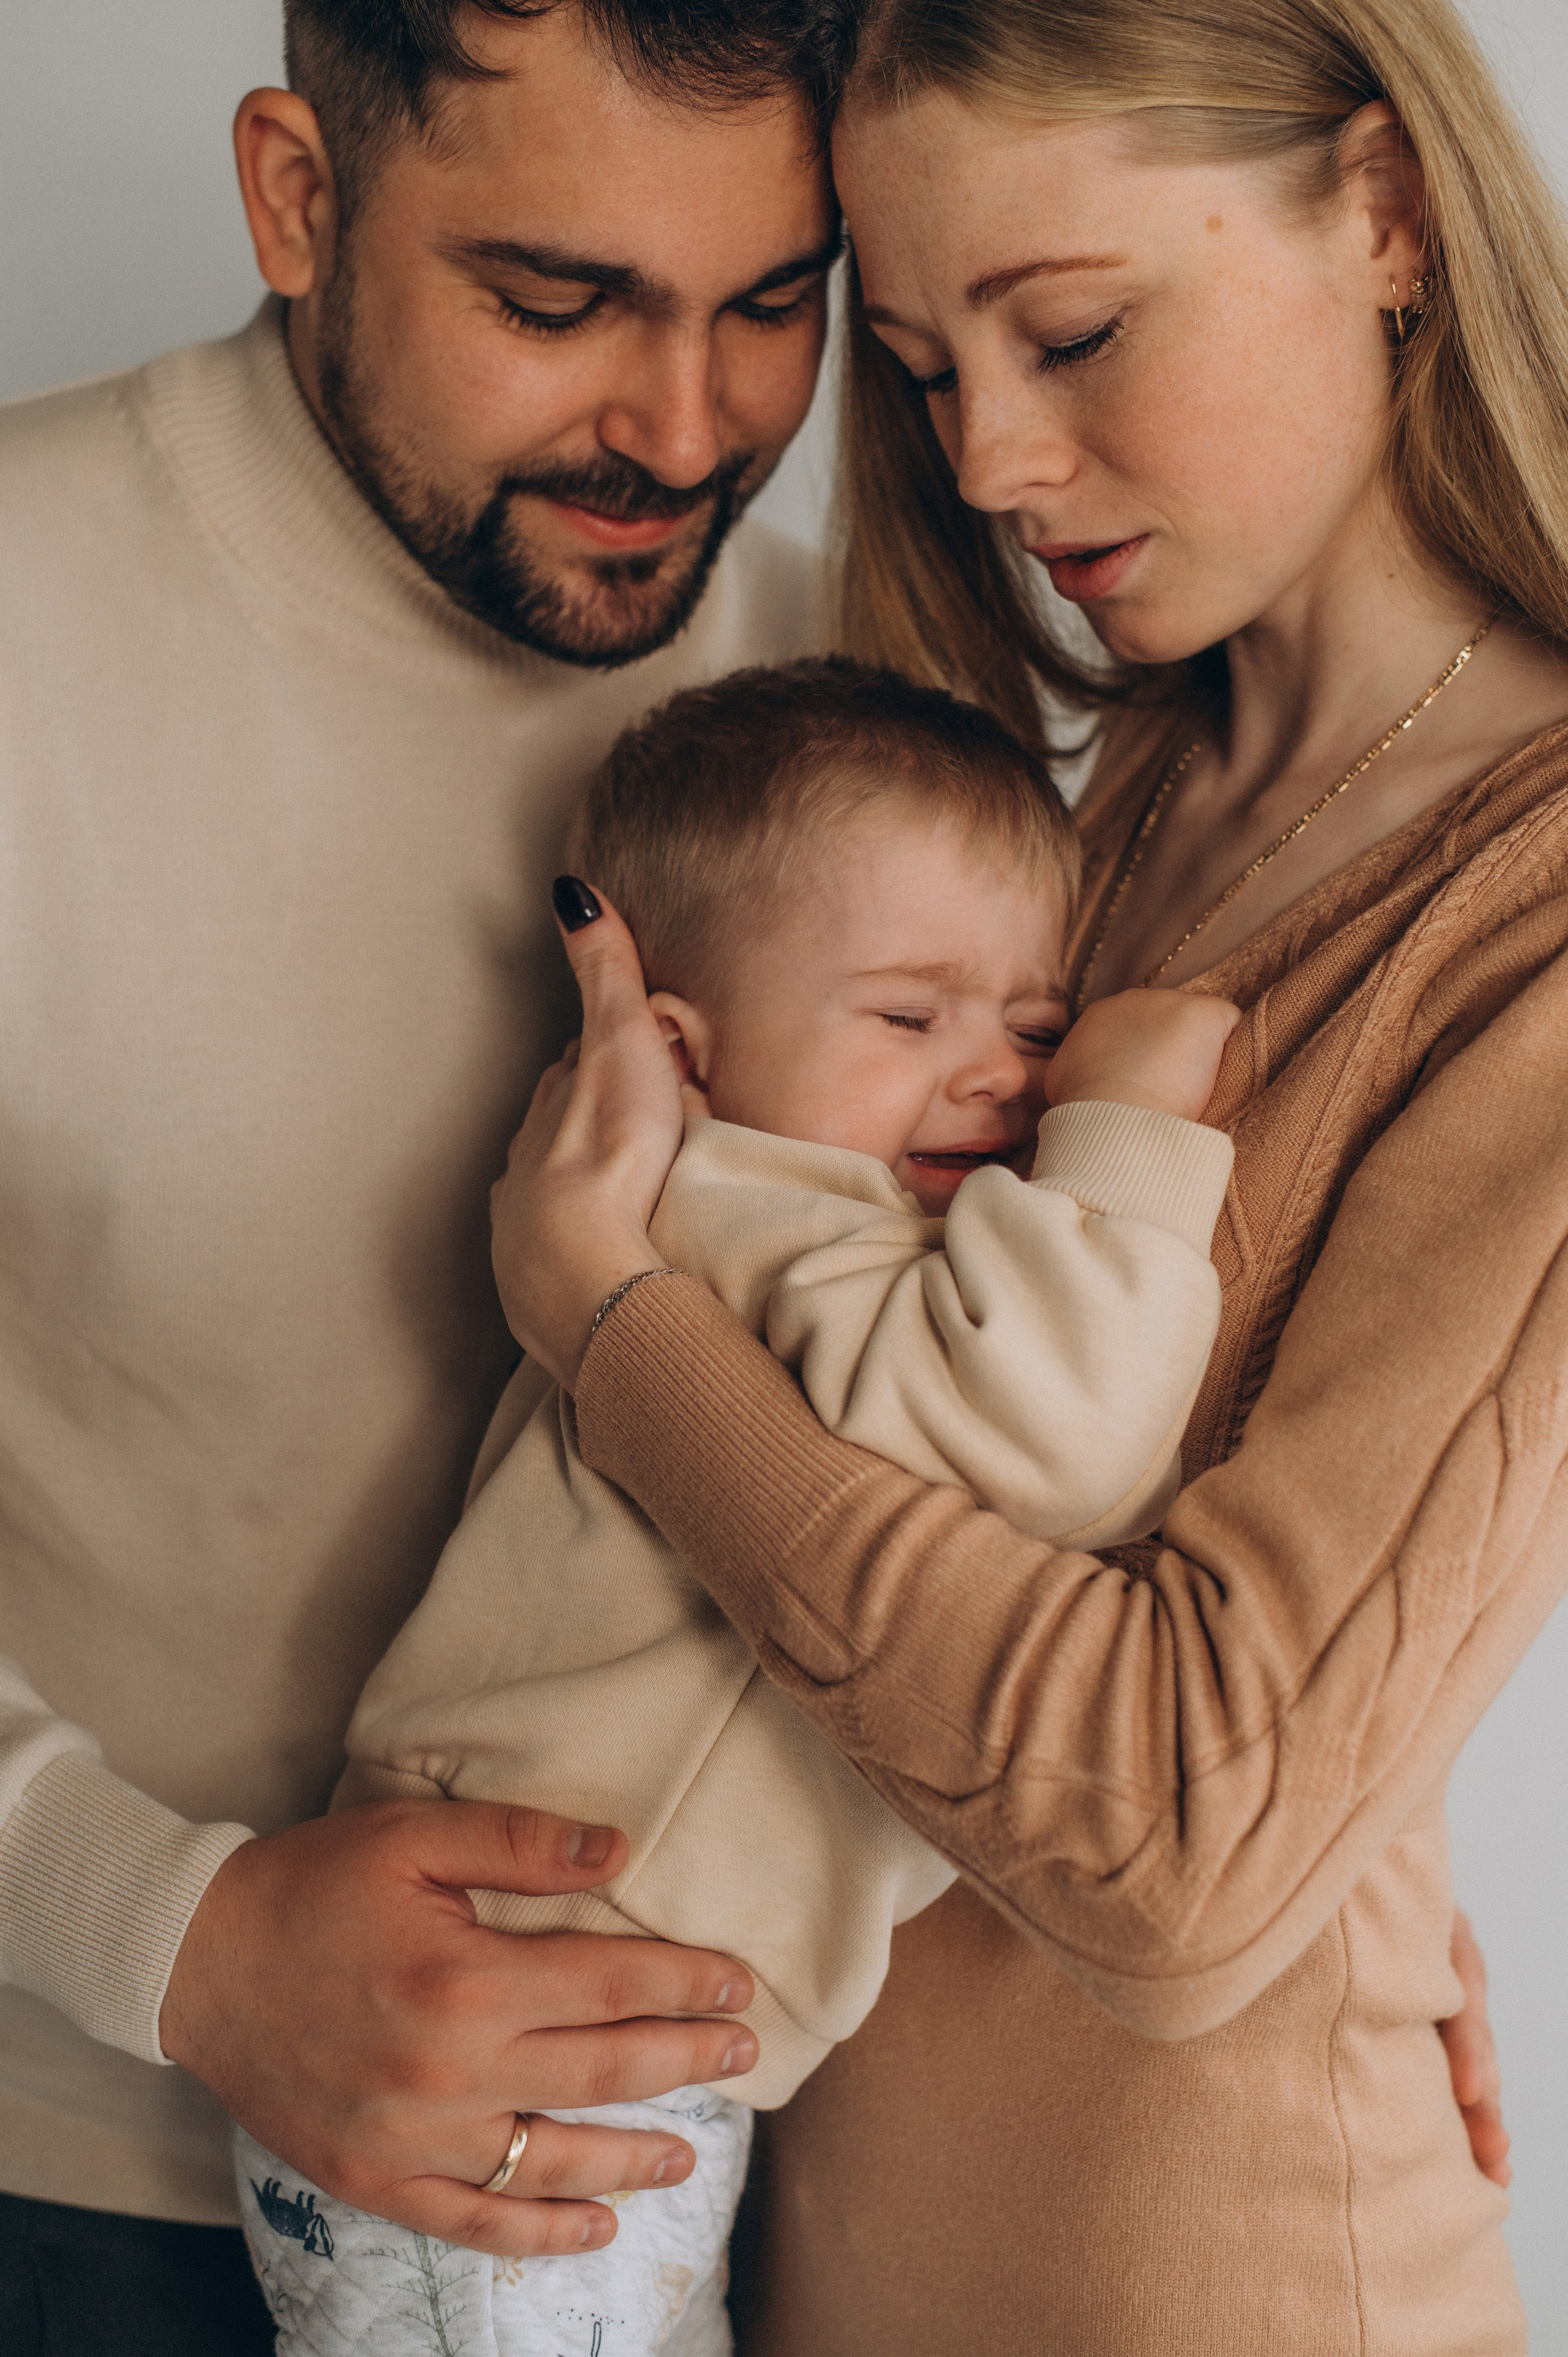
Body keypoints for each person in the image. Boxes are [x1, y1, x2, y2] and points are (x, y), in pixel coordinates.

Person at [485, 0, 1567, 2349]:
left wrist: (612, 1335)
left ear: (1384, 213)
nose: (987, 458)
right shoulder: (1091, 811)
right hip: (812, 2256)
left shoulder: (1540, 913)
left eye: (1070, 329)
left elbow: (1175, 1855)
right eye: (927, 366)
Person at [0, 5, 856, 2350]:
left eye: (776, 301)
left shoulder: (859, 667)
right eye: (558, 302)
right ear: (295, 195)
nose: (689, 435)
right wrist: (169, 1938)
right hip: (68, 2206)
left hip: (740, 2204)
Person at [237, 657, 1237, 2355]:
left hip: (570, 2029)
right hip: (513, 2027)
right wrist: (1128, 1120)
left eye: (1038, 1026)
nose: (998, 1075)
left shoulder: (781, 1231)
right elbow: (1055, 1432)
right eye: (912, 1018)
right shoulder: (757, 1216)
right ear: (680, 1048)